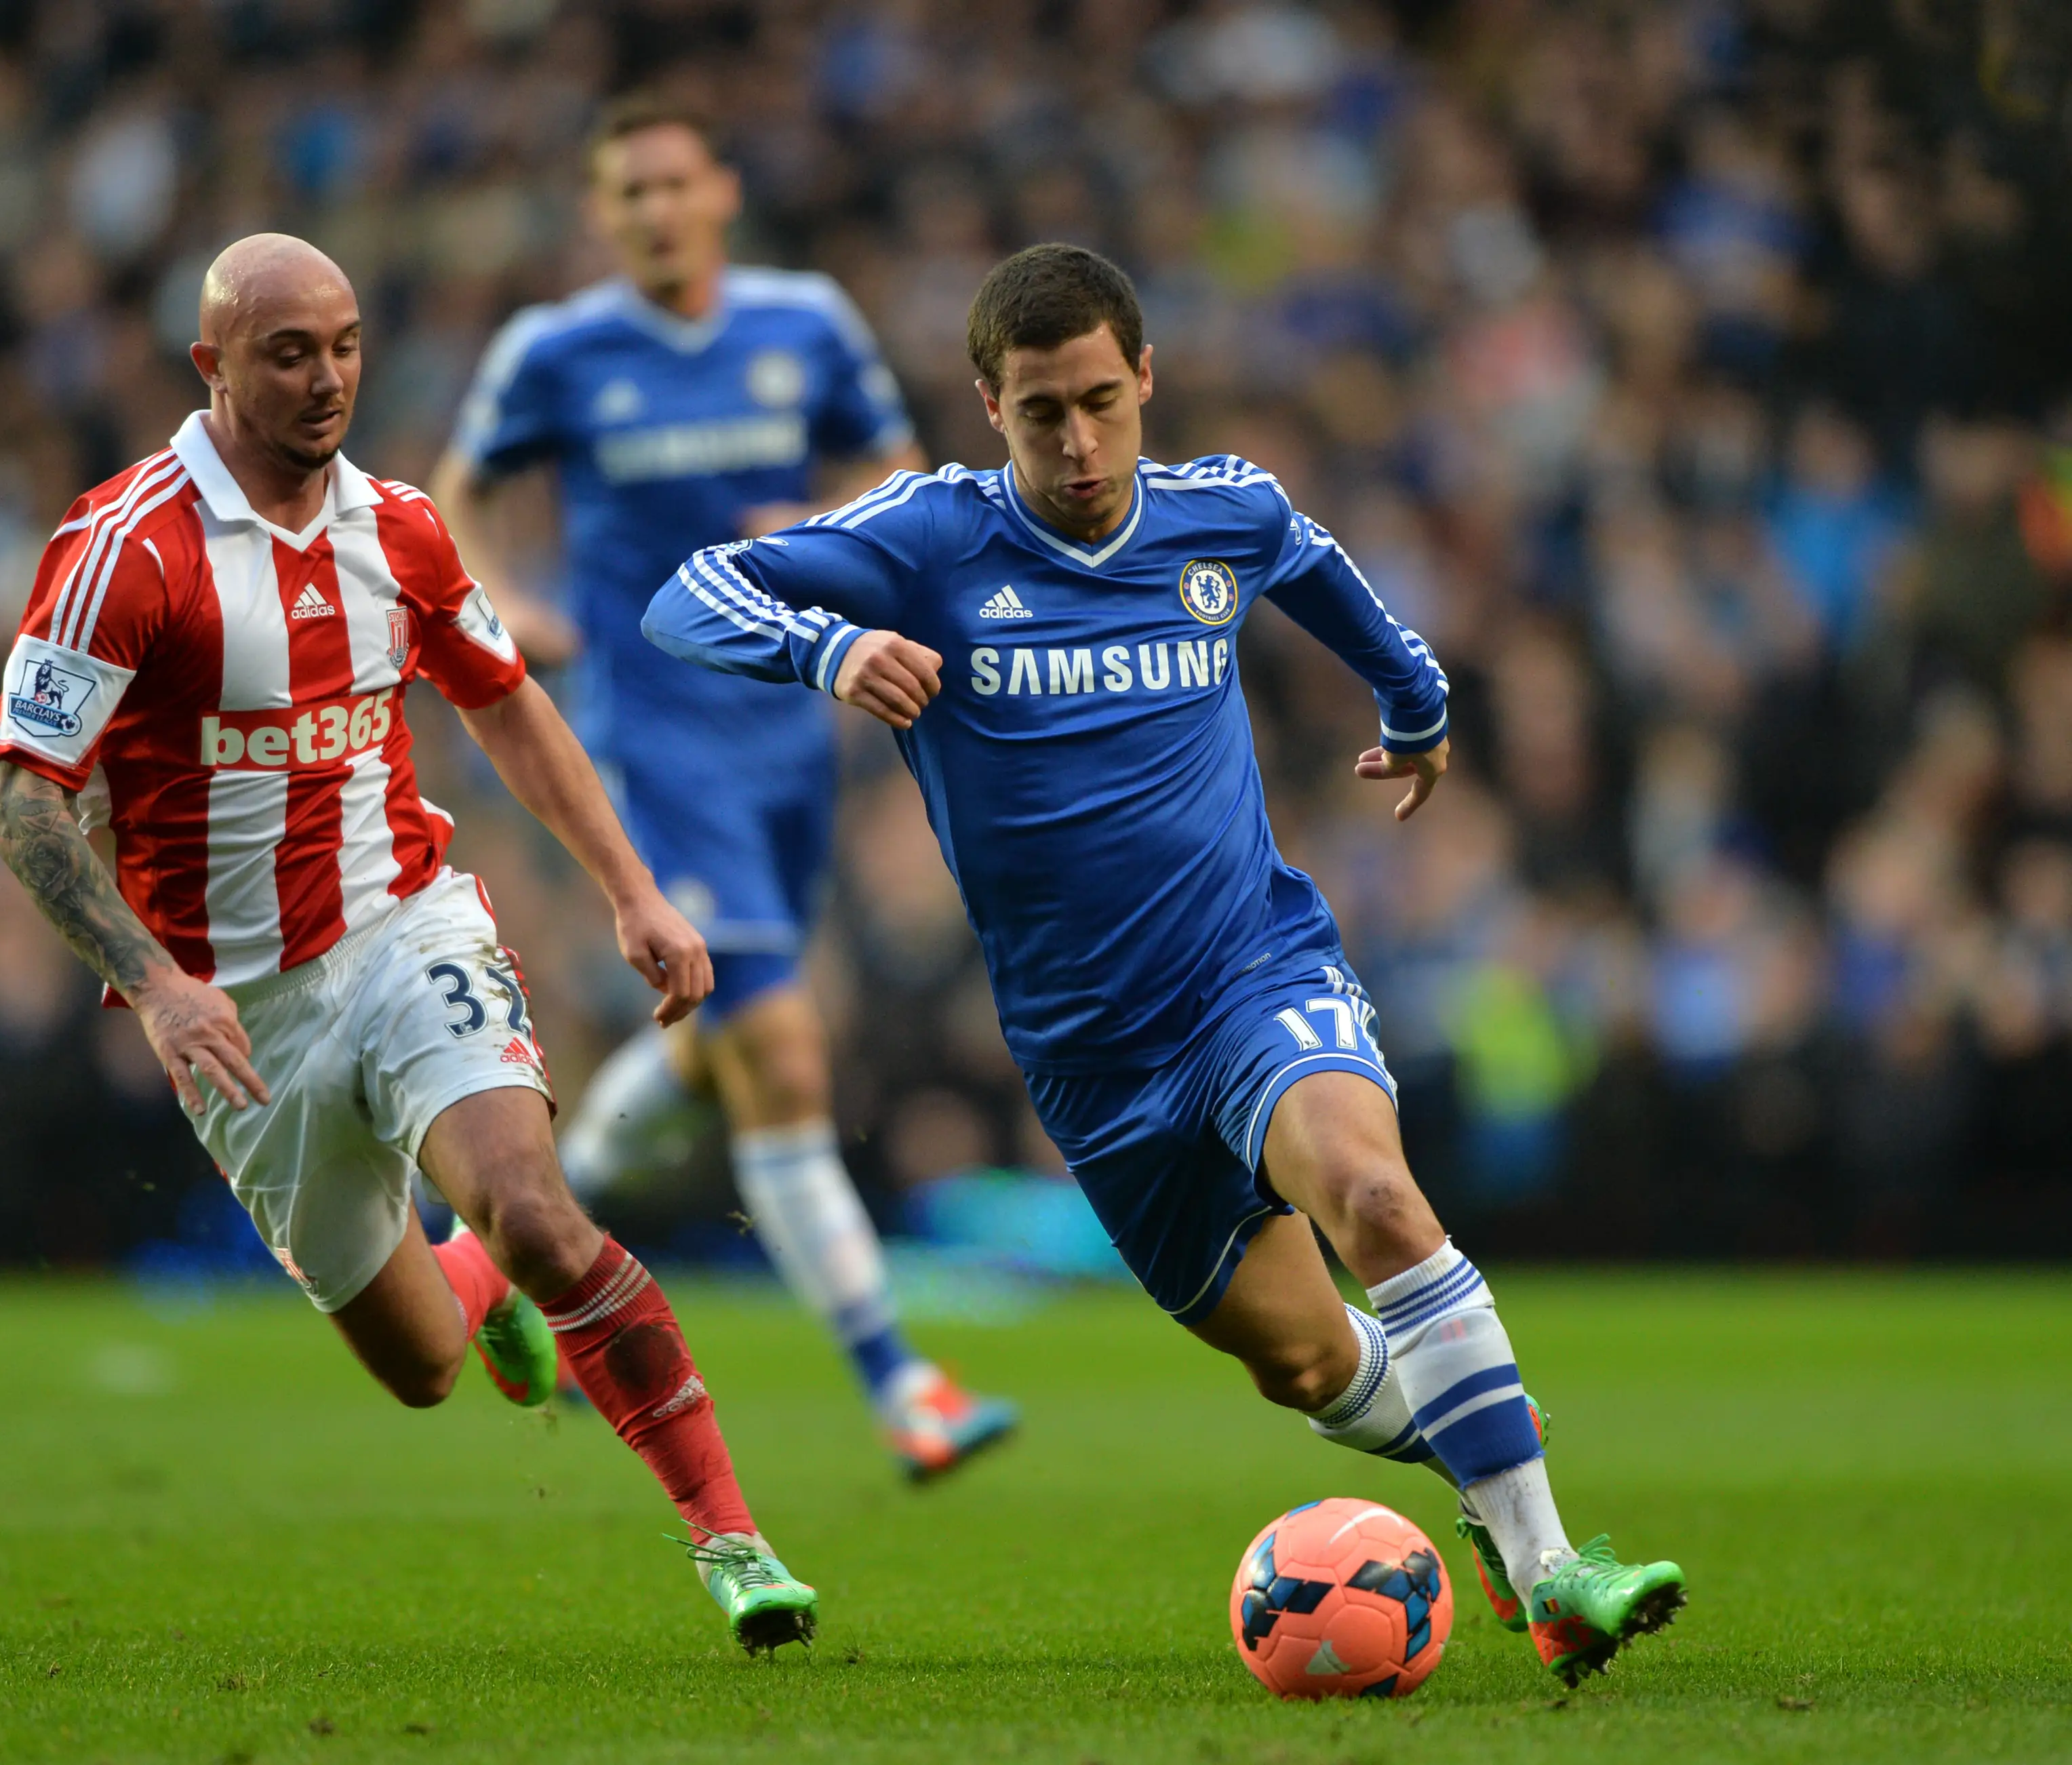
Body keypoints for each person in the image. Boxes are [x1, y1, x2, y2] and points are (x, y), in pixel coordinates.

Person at [643, 243, 1688, 1688]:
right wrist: (826, 651)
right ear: (985, 407)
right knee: (1311, 1366)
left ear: (1145, 376)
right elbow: (684, 594)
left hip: (1250, 970)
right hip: (1092, 1058)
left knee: (1376, 1191)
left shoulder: (1221, 512)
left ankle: (1552, 1562)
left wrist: (1418, 701)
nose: (1076, 444)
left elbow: (1320, 572)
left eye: (1097, 402)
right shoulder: (930, 541)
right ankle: (1474, 1476)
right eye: (1037, 415)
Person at [0, 233, 816, 1653]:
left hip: (403, 919)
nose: (327, 378)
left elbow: (506, 704)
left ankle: (731, 1539)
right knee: (425, 1366)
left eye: (347, 344)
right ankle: (472, 1285)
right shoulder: (125, 548)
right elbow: (23, 794)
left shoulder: (405, 527)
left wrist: (632, 889)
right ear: (213, 364)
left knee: (540, 1210)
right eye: (289, 352)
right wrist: (155, 978)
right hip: (242, 1016)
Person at [433, 92, 1016, 1480]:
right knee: (781, 1041)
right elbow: (456, 488)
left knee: (723, 1049)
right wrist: (504, 595)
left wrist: (824, 524)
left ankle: (493, 1253)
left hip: (790, 726)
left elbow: (898, 468)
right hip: (648, 733)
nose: (650, 211)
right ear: (602, 215)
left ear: (722, 193)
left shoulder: (803, 323)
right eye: (624, 192)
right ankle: (901, 1380)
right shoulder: (558, 349)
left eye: (670, 185)